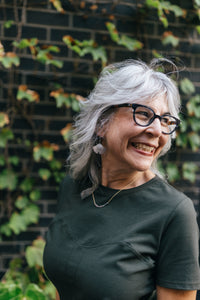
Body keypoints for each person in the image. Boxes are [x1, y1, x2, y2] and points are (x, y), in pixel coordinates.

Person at [43, 59, 200, 300]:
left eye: (165, 120)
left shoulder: (174, 212)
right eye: (143, 113)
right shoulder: (74, 186)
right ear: (101, 123)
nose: (157, 131)